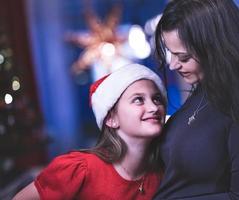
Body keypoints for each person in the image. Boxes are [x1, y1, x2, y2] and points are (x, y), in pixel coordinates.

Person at [153, 0, 239, 199]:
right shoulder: (203, 93)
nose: (173, 65)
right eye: (171, 54)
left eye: (183, 57)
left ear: (214, 49)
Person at [13, 63, 167, 200]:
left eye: (157, 99)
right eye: (138, 99)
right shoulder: (79, 170)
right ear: (111, 119)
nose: (154, 108)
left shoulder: (161, 174)